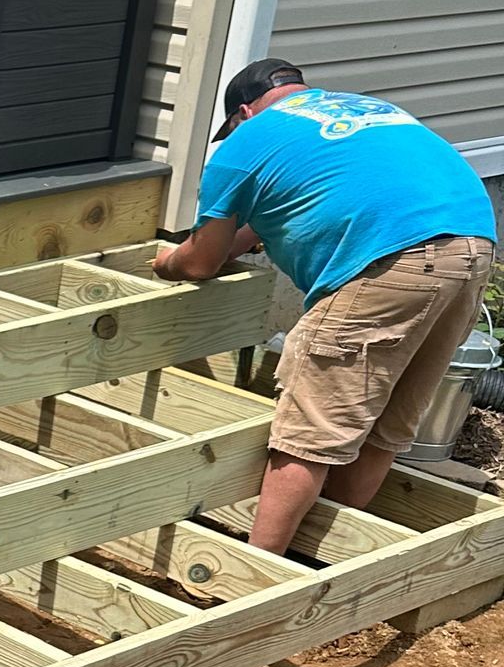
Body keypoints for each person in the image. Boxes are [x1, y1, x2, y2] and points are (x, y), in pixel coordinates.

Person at [152, 61, 495, 553]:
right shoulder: (364, 109)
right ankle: (327, 553)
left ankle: (260, 572)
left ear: (243, 113)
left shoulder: (245, 143)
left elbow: (201, 262)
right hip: (471, 246)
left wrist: (168, 262)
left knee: (308, 431)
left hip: (390, 259)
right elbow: (325, 199)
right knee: (385, 421)